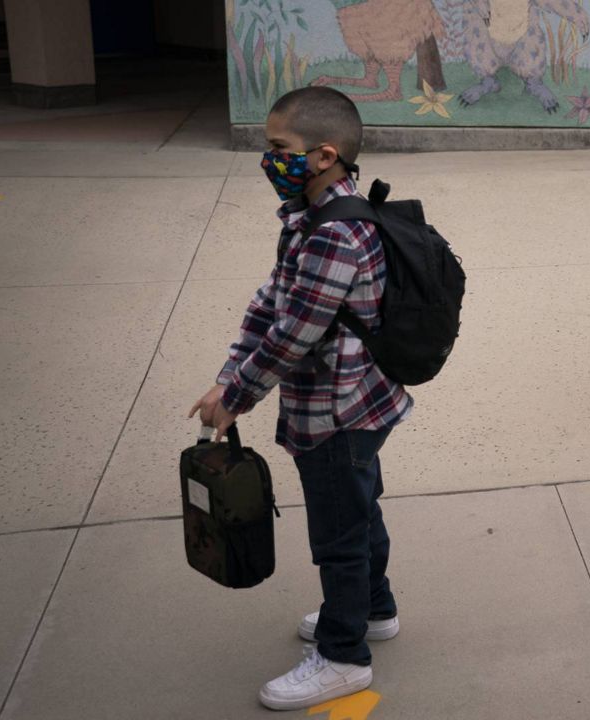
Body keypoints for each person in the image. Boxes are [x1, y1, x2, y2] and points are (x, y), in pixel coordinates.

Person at [187, 86, 411, 711]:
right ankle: (374, 609)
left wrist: (237, 395)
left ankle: (345, 657)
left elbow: (295, 335)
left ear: (323, 155)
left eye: (279, 148)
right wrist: (231, 372)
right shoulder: (313, 215)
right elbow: (272, 301)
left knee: (339, 534)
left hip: (337, 411)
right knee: (361, 511)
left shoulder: (333, 233)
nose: (269, 158)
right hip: (360, 401)